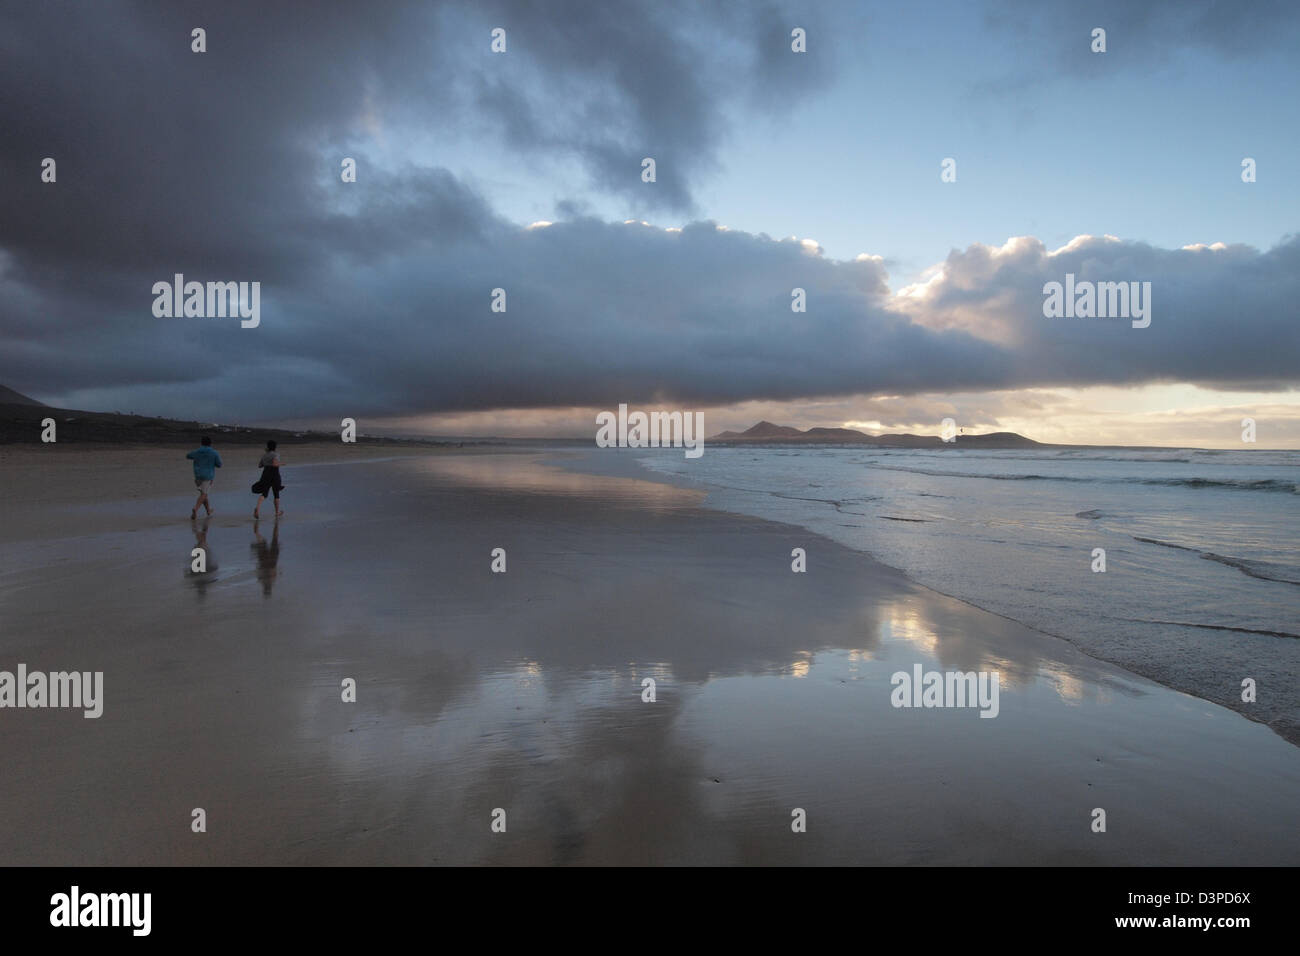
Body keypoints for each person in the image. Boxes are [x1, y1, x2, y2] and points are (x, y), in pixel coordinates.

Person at [186, 436, 222, 519]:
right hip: (208, 476)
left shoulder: (197, 451)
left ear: (201, 443)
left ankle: (208, 511)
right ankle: (195, 508)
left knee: (204, 494)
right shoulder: (214, 452)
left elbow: (188, 456)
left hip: (197, 475)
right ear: (210, 443)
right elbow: (219, 464)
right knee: (204, 494)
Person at [251, 439, 285, 518]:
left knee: (264, 493)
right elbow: (275, 464)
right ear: (275, 447)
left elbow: (260, 465)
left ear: (268, 447)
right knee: (276, 494)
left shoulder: (265, 455)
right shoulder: (276, 454)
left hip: (265, 473)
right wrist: (282, 464)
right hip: (274, 474)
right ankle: (277, 512)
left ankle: (257, 508)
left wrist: (267, 460)